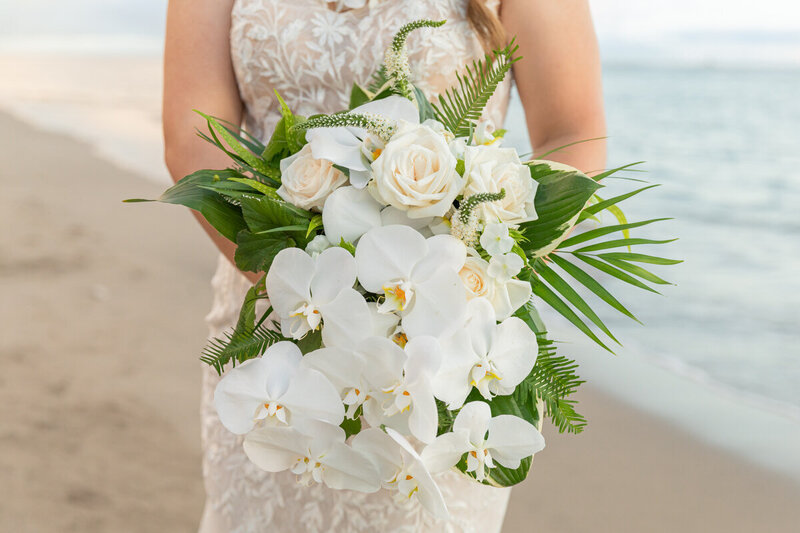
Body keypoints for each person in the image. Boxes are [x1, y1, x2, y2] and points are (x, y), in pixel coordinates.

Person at [163, 1, 605, 531]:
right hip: (280, 328)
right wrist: (319, 302)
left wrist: (462, 265)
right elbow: (194, 141)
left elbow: (573, 132)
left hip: (439, 349)